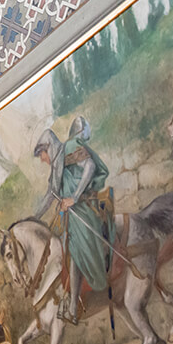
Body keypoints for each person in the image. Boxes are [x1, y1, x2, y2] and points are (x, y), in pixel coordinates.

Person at [33, 121, 113, 324]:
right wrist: (33, 218)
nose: (43, 160)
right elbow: (48, 197)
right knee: (67, 248)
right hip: (72, 216)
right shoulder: (55, 169)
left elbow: (90, 166)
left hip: (85, 208)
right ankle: (72, 305)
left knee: (75, 247)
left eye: (42, 155)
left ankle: (74, 306)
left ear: (48, 148)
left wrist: (74, 197)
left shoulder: (69, 148)